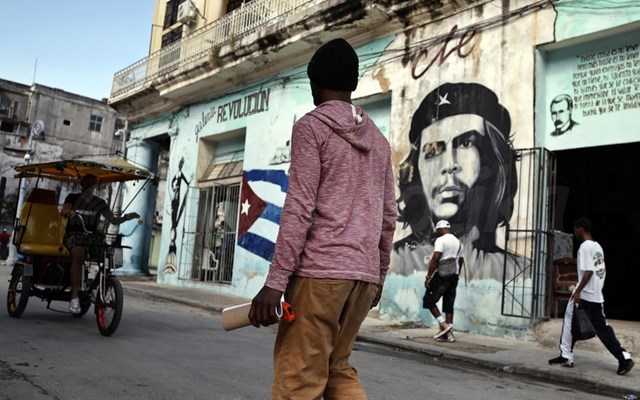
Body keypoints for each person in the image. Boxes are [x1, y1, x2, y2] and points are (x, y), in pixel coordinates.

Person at [249, 38, 396, 399]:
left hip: (321, 275)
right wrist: (377, 276)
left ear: (314, 83)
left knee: (298, 379)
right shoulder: (379, 141)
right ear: (354, 83)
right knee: (337, 370)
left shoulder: (312, 127)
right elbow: (388, 215)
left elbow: (300, 207)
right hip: (361, 278)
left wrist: (275, 282)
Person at [393, 82, 519, 281]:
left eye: (466, 143)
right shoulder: (393, 265)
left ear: (494, 159)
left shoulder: (518, 274)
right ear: (417, 168)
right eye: (432, 150)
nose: (449, 165)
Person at [548, 218, 634, 376]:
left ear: (581, 229)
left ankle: (624, 358)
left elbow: (588, 272)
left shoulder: (585, 247)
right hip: (594, 293)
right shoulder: (597, 246)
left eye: (575, 229)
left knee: (601, 330)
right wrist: (591, 288)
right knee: (571, 319)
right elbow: (601, 270)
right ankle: (566, 355)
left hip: (586, 295)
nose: (574, 232)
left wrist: (578, 291)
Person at [62, 175, 139, 314]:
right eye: (88, 184)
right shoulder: (72, 198)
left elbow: (113, 220)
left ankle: (99, 285)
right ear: (83, 185)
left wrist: (127, 217)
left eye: (92, 184)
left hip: (93, 237)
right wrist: (70, 212)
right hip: (74, 235)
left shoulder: (100, 203)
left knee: (107, 254)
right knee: (78, 255)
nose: (90, 187)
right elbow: (64, 211)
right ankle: (74, 296)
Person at [424, 220, 464, 342]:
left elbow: (436, 258)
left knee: (429, 301)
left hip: (442, 275)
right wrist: (457, 274)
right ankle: (448, 335)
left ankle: (444, 325)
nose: (437, 232)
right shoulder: (458, 242)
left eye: (437, 230)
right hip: (454, 275)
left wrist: (429, 276)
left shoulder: (440, 240)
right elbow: (461, 260)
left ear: (440, 229)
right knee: (448, 304)